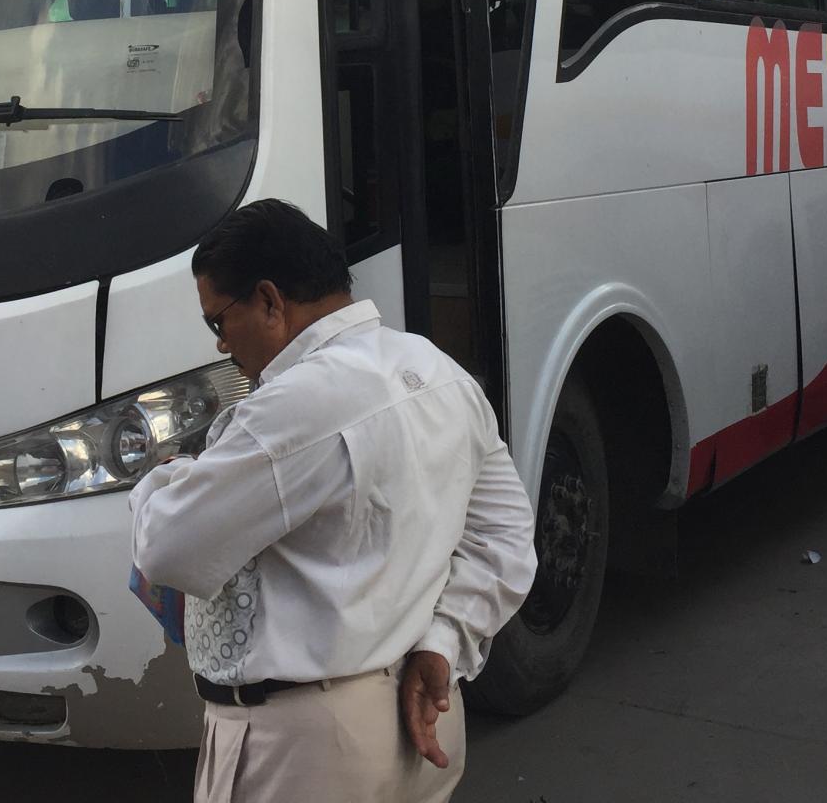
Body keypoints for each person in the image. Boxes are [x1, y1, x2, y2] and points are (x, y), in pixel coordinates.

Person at [131, 200, 536, 803]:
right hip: (417, 713)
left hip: (302, 747)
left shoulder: (291, 410)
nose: (220, 346)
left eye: (218, 321)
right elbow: (504, 539)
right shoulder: (437, 370)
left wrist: (165, 479)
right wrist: (444, 641)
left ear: (269, 300)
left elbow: (168, 551)